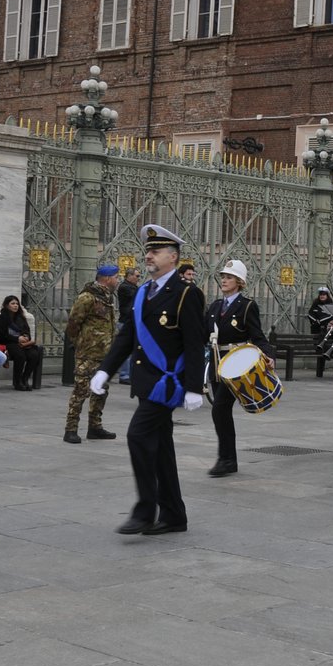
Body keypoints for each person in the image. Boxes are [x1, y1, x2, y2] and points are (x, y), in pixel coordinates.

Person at [92, 224, 208, 535]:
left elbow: (195, 343)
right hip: (146, 382)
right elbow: (127, 336)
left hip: (167, 385)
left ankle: (145, 510)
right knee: (160, 447)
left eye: (155, 251)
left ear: (173, 257)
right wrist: (105, 369)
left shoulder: (187, 294)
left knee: (138, 436)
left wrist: (195, 387)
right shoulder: (144, 291)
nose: (148, 256)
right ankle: (173, 515)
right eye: (148, 251)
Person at [206, 259, 276, 476]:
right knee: (221, 413)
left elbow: (257, 336)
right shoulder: (215, 306)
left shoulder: (247, 306)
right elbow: (202, 333)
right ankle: (228, 459)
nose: (224, 280)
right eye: (223, 277)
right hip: (217, 365)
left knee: (219, 409)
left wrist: (269, 354)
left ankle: (225, 459)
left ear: (239, 282)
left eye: (229, 277)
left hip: (236, 367)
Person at [63, 264, 120, 444]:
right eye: (116, 277)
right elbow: (73, 323)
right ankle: (70, 429)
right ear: (107, 278)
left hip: (104, 354)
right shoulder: (87, 297)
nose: (118, 281)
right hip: (87, 354)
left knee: (101, 391)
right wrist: (78, 344)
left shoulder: (107, 297)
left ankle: (95, 427)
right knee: (80, 391)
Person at [0, 295, 43, 391]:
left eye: (17, 304)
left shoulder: (21, 317)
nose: (15, 306)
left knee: (34, 354)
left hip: (22, 344)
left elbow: (27, 331)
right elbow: (1, 336)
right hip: (8, 343)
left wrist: (26, 337)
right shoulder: (1, 318)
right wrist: (17, 339)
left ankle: (24, 379)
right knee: (20, 355)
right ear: (6, 305)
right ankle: (17, 382)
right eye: (13, 303)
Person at [117, 266, 142, 383]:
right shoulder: (124, 287)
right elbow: (137, 296)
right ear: (129, 276)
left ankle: (131, 374)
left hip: (132, 321)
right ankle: (124, 375)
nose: (138, 278)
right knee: (126, 351)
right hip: (125, 322)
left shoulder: (133, 287)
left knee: (134, 351)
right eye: (137, 276)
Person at [307, 286, 333, 379]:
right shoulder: (315, 304)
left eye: (324, 295)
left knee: (323, 348)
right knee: (319, 348)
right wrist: (316, 321)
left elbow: (330, 316)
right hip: (316, 330)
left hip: (326, 331)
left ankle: (321, 368)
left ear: (327, 295)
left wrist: (321, 321)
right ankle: (320, 369)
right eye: (321, 295)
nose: (322, 296)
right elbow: (310, 314)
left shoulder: (330, 305)